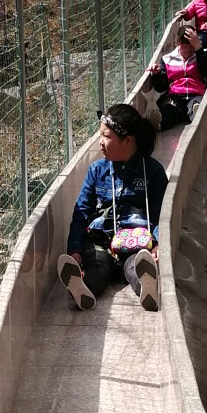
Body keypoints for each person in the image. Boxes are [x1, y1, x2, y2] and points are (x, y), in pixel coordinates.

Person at [56, 102, 169, 313]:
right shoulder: (96, 171)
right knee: (99, 265)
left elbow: (160, 212)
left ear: (127, 140)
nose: (100, 143)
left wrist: (159, 243)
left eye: (106, 137)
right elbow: (81, 212)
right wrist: (75, 249)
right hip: (102, 239)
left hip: (134, 240)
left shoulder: (152, 172)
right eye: (100, 135)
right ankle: (82, 288)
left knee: (134, 265)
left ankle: (147, 286)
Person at [146, 21, 207, 129]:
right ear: (178, 43)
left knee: (196, 103)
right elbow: (161, 87)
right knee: (170, 108)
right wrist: (156, 74)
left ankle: (197, 113)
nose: (187, 49)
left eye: (191, 45)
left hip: (196, 93)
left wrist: (199, 49)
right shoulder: (167, 59)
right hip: (175, 95)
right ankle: (160, 120)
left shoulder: (201, 55)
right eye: (184, 45)